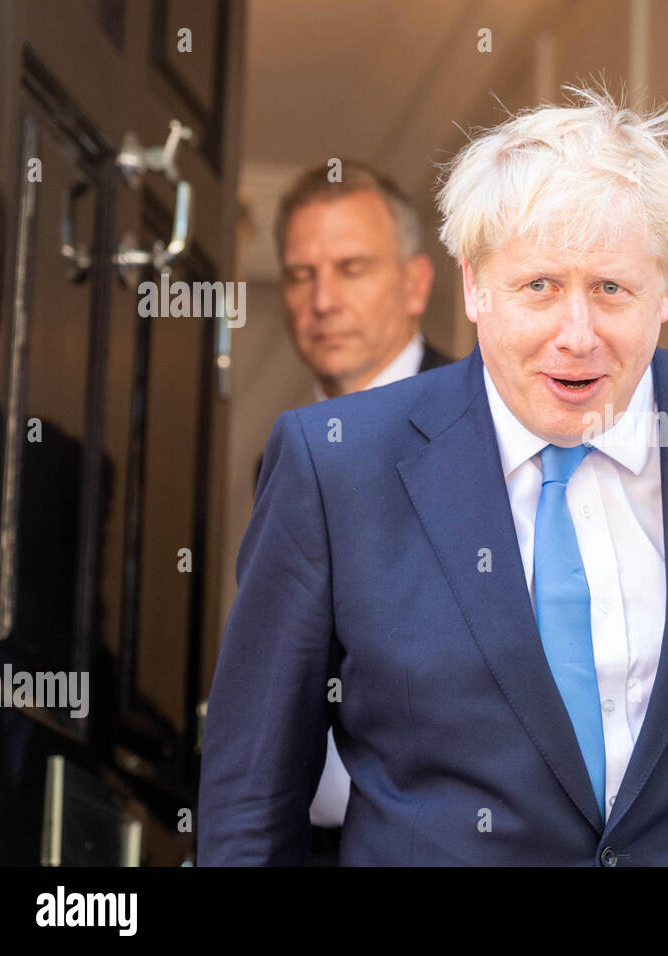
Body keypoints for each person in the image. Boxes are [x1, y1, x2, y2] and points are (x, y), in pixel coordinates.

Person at [199, 85, 668, 865]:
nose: (577, 335)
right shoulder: (334, 466)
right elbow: (249, 807)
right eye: (539, 286)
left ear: (665, 288)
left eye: (611, 289)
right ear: (473, 286)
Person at [258, 162, 454, 854]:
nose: (323, 300)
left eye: (351, 268)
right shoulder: (282, 457)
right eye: (300, 274)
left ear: (415, 283)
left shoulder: (484, 428)